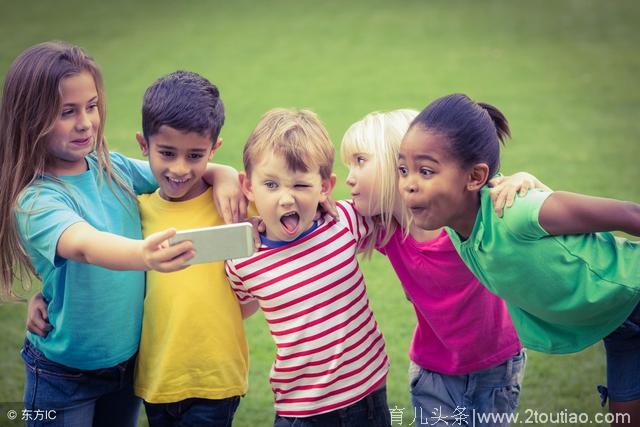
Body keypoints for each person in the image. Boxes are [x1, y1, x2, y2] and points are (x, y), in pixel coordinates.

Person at [0, 41, 239, 426]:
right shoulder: (35, 199)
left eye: (91, 106)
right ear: (31, 118)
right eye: (67, 112)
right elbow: (84, 245)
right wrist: (144, 255)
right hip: (64, 377)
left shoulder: (113, 168)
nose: (85, 122)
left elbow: (176, 172)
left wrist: (224, 174)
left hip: (127, 369)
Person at [398, 93, 640, 425]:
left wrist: (530, 183)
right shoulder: (458, 226)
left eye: (425, 171)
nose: (408, 184)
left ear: (474, 177)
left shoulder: (516, 211)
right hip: (616, 323)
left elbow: (630, 214)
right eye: (403, 170)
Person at [341, 109, 551, 425]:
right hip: (433, 371)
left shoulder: (467, 213)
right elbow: (313, 222)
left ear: (395, 165)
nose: (349, 177)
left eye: (359, 161)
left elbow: (533, 207)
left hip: (497, 366)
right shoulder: (385, 229)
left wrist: (525, 180)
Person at [225, 108, 391, 426]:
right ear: (247, 186)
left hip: (368, 396)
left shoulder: (344, 221)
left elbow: (401, 203)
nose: (286, 199)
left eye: (301, 186)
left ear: (325, 187)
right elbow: (239, 310)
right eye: (271, 185)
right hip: (301, 411)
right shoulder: (242, 260)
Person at [133, 70, 259, 427]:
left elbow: (289, 212)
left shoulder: (234, 203)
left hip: (215, 379)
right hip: (157, 379)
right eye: (167, 153)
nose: (179, 168)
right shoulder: (136, 210)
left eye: (195, 156)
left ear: (214, 149)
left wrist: (225, 175)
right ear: (144, 145)